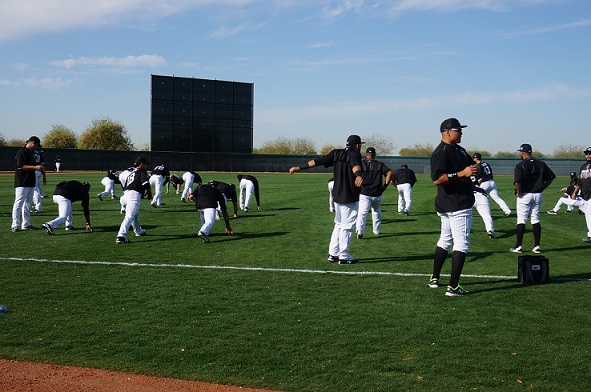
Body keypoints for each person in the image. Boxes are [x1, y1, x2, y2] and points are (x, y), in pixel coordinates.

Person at [289, 134, 364, 264]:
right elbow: (355, 165)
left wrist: (299, 167)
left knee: (339, 225)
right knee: (347, 226)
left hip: (337, 194)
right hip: (348, 195)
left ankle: (333, 254)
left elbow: (319, 161)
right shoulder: (354, 154)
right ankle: (344, 256)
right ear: (357, 146)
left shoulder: (336, 153)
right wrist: (358, 175)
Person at [428, 118, 478, 297]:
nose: (461, 132)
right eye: (458, 130)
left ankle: (434, 278)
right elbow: (437, 179)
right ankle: (453, 287)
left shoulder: (459, 149)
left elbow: (469, 167)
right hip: (455, 202)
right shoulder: (441, 152)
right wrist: (461, 173)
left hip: (452, 201)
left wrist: (473, 169)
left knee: (445, 240)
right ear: (447, 131)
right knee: (461, 243)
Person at [510, 143, 556, 254]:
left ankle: (519, 246)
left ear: (521, 153)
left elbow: (517, 182)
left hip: (525, 195)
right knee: (535, 219)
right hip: (537, 194)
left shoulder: (520, 165)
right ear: (531, 152)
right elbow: (551, 178)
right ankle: (536, 246)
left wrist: (519, 192)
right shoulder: (541, 164)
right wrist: (543, 188)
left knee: (521, 220)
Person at [355, 147, 392, 238]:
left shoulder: (361, 164)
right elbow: (390, 173)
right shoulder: (380, 164)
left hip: (364, 192)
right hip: (377, 192)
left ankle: (360, 231)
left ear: (366, 154)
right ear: (374, 154)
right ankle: (376, 230)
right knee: (376, 210)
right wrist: (385, 186)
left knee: (362, 213)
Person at [11, 136, 45, 232]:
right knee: (19, 203)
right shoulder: (21, 152)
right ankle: (15, 224)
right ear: (33, 143)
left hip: (30, 181)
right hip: (22, 181)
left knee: (27, 204)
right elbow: (20, 166)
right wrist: (35, 168)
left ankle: (26, 224)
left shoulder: (31, 153)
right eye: (37, 145)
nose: (37, 148)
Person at [116, 157, 153, 244]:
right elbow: (145, 183)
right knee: (129, 217)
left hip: (124, 196)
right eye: (146, 164)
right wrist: (149, 191)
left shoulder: (131, 173)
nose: (147, 166)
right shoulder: (141, 171)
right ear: (141, 164)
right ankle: (121, 236)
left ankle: (138, 231)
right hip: (133, 196)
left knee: (134, 215)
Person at [572, 147, 591, 243]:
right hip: (585, 195)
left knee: (589, 214)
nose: (588, 155)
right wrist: (575, 192)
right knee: (588, 215)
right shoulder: (583, 167)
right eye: (587, 153)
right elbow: (580, 181)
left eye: (590, 153)